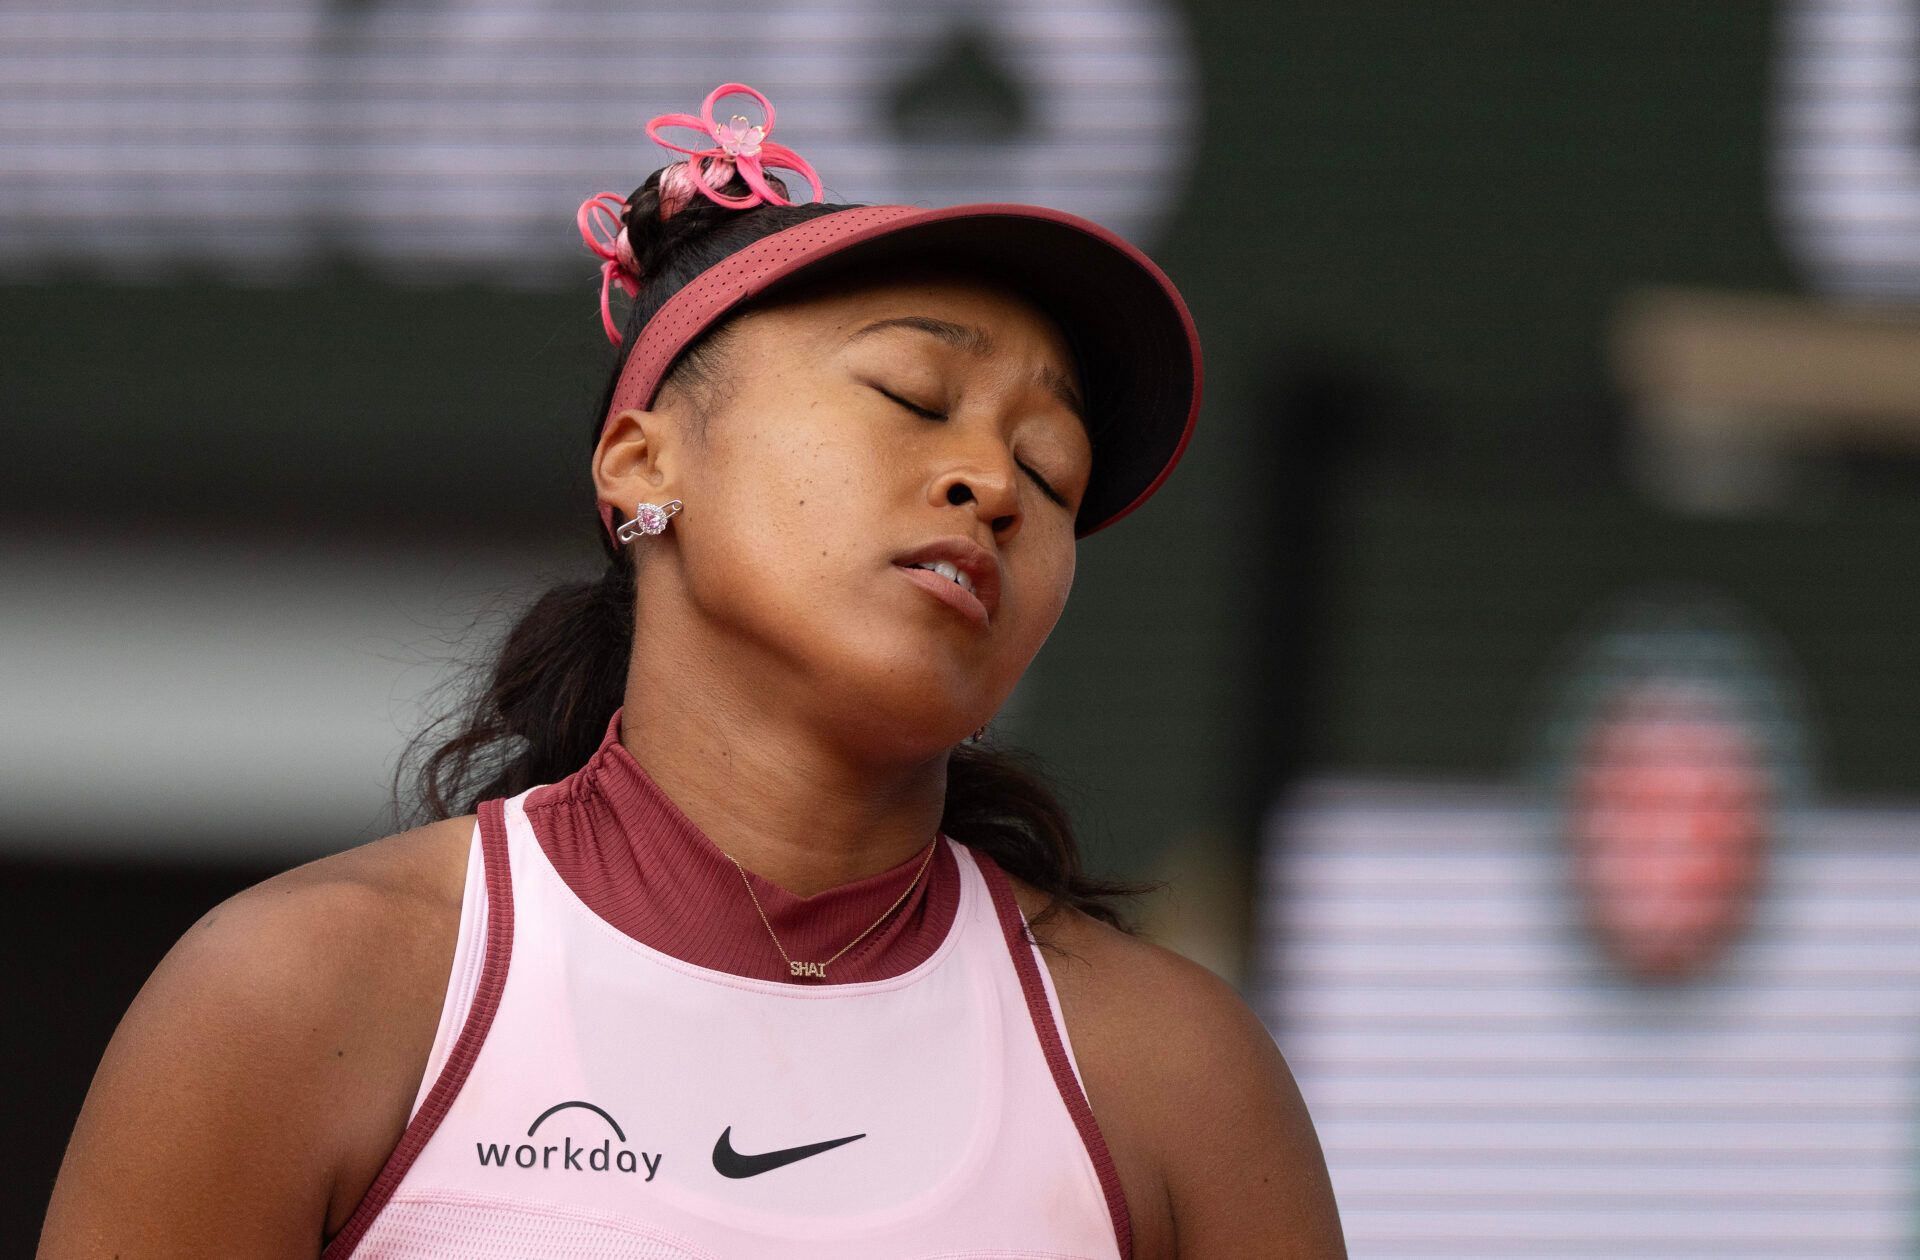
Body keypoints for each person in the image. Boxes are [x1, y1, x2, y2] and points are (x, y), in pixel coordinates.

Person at [38, 83, 1346, 1258]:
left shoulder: (1177, 1077)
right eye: (908, 393)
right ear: (642, 466)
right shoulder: (303, 993)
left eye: (1053, 471)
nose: (995, 484)